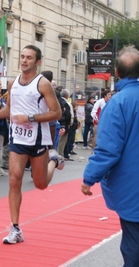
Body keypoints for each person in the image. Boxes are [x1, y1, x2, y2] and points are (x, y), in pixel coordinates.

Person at [0, 45, 64, 244]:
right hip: (18, 139)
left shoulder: (43, 84)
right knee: (14, 180)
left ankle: (53, 159)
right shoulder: (13, 83)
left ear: (37, 62)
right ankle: (15, 228)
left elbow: (57, 113)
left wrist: (30, 117)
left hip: (38, 139)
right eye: (22, 56)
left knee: (40, 184)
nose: (24, 60)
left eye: (29, 58)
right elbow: (10, 109)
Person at [81, 45, 139, 266]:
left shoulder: (118, 103)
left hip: (132, 186)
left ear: (116, 72)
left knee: (133, 246)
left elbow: (108, 148)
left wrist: (89, 177)